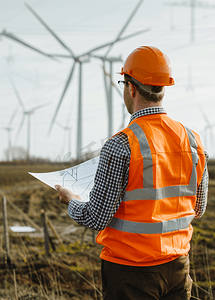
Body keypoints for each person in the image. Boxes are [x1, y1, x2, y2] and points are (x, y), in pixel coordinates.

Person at [55, 46, 209, 300]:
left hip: (130, 273)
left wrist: (71, 201)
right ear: (162, 88)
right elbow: (198, 208)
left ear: (131, 88)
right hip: (178, 268)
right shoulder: (193, 141)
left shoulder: (121, 145)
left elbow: (96, 218)